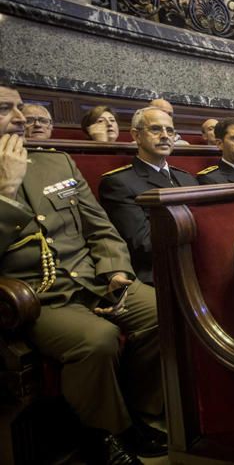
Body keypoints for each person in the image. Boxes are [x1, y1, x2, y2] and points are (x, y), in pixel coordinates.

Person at [0, 85, 165, 464]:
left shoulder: (55, 162)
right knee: (97, 339)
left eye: (21, 108)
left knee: (160, 310)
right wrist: (6, 193)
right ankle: (107, 434)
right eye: (6, 109)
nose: (22, 118)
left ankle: (138, 410)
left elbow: (100, 228)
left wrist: (116, 270)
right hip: (36, 298)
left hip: (94, 279)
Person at [99, 107, 198, 284]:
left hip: (197, 262)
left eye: (170, 130)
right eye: (155, 129)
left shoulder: (187, 178)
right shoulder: (119, 183)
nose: (165, 136)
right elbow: (143, 243)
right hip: (160, 271)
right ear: (136, 136)